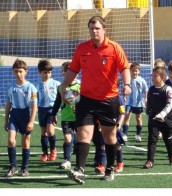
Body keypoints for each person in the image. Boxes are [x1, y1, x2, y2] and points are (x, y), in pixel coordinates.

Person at [60, 15, 131, 184]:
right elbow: (73, 71)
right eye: (91, 28)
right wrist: (64, 86)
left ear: (104, 30)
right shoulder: (81, 48)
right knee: (83, 134)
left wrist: (127, 84)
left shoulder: (114, 48)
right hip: (86, 99)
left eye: (97, 28)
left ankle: (110, 168)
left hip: (109, 99)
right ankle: (79, 170)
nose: (94, 31)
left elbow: (124, 68)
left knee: (109, 137)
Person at [4, 59, 38, 177]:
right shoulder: (11, 88)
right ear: (13, 72)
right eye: (16, 71)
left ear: (26, 72)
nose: (18, 74)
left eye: (20, 71)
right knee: (11, 140)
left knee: (25, 142)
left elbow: (34, 106)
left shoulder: (31, 88)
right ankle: (13, 166)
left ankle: (25, 167)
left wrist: (31, 121)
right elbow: (8, 105)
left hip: (26, 116)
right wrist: (6, 120)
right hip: (14, 115)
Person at [143, 67, 172, 169]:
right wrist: (148, 108)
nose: (152, 77)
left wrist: (162, 114)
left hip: (165, 118)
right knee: (152, 139)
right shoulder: (151, 89)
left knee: (168, 138)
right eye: (152, 75)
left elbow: (169, 105)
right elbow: (149, 101)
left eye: (155, 75)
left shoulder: (168, 89)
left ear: (162, 77)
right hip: (154, 118)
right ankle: (150, 161)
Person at [51, 61, 80, 169]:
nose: (63, 73)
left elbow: (84, 101)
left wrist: (79, 106)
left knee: (79, 140)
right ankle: (67, 160)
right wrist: (53, 114)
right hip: (66, 117)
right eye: (63, 71)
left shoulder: (80, 86)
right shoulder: (61, 87)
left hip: (79, 118)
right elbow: (57, 102)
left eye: (66, 71)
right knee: (67, 138)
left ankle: (79, 162)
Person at [36, 59, 61, 162]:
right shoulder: (37, 86)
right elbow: (35, 98)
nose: (47, 74)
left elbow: (61, 95)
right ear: (40, 72)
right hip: (42, 109)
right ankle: (44, 153)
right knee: (43, 133)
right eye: (45, 72)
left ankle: (53, 150)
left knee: (50, 131)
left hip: (52, 109)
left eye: (49, 72)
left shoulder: (56, 84)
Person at [122, 62, 148, 142]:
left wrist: (145, 98)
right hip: (129, 102)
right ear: (130, 71)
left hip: (138, 103)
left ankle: (138, 135)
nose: (134, 72)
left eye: (136, 71)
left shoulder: (141, 80)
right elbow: (124, 90)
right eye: (133, 70)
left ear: (139, 71)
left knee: (139, 118)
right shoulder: (128, 80)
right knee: (127, 116)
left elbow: (145, 90)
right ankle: (125, 134)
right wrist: (124, 97)